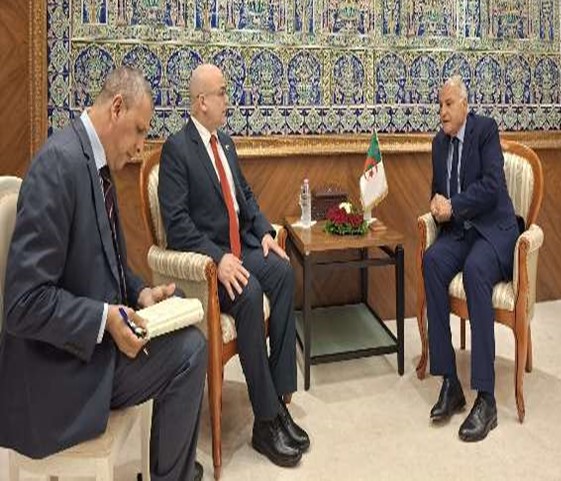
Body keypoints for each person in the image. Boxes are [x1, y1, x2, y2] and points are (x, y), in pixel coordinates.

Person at [0, 67, 207, 481]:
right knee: (190, 352)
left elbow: (106, 263)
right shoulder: (58, 166)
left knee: (182, 319)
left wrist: (140, 294)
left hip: (86, 348)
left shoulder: (93, 163)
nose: (141, 147)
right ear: (116, 108)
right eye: (139, 131)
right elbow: (23, 304)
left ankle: (174, 468)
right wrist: (105, 319)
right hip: (59, 369)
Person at [158, 63, 310, 467]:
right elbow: (177, 225)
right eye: (222, 92)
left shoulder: (224, 143)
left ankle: (279, 403)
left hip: (242, 249)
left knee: (282, 272)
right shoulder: (177, 149)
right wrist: (217, 257)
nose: (229, 99)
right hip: (210, 266)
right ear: (201, 102)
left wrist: (264, 232)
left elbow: (246, 196)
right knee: (250, 291)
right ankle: (265, 422)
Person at [423, 75, 519, 442]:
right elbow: (438, 191)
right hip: (460, 232)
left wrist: (454, 205)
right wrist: (436, 204)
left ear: (465, 105)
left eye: (448, 104)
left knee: (477, 269)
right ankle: (450, 382)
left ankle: (486, 398)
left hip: (492, 230)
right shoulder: (438, 143)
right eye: (440, 105)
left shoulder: (485, 131)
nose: (442, 112)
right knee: (432, 261)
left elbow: (492, 187)